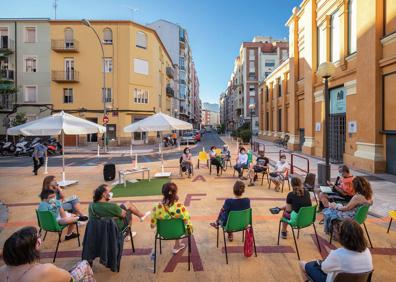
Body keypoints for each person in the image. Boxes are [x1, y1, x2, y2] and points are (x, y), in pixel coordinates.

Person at [0, 226, 95, 282]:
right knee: (85, 264)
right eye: (39, 238)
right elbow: (68, 278)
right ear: (37, 245)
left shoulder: (2, 271)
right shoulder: (45, 270)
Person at [300, 219, 373, 282]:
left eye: (335, 232)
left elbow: (324, 269)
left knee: (303, 264)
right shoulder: (367, 251)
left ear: (343, 237)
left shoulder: (337, 254)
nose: (334, 234)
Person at [150, 182, 192, 254]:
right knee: (180, 225)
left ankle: (177, 245)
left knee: (172, 225)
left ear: (163, 193)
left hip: (163, 233)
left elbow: (152, 226)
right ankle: (177, 245)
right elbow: (186, 221)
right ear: (175, 193)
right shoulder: (180, 206)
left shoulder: (156, 207)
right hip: (179, 232)